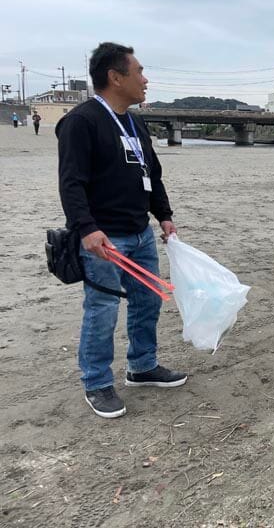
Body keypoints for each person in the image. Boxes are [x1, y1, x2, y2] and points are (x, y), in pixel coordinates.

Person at [56, 42, 186, 419]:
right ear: (115, 77)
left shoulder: (135, 121)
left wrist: (163, 216)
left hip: (140, 231)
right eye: (139, 71)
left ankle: (142, 366)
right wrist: (86, 229)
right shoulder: (82, 121)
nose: (145, 79)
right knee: (102, 308)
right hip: (104, 239)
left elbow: (152, 175)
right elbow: (71, 183)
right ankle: (96, 382)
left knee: (147, 301)